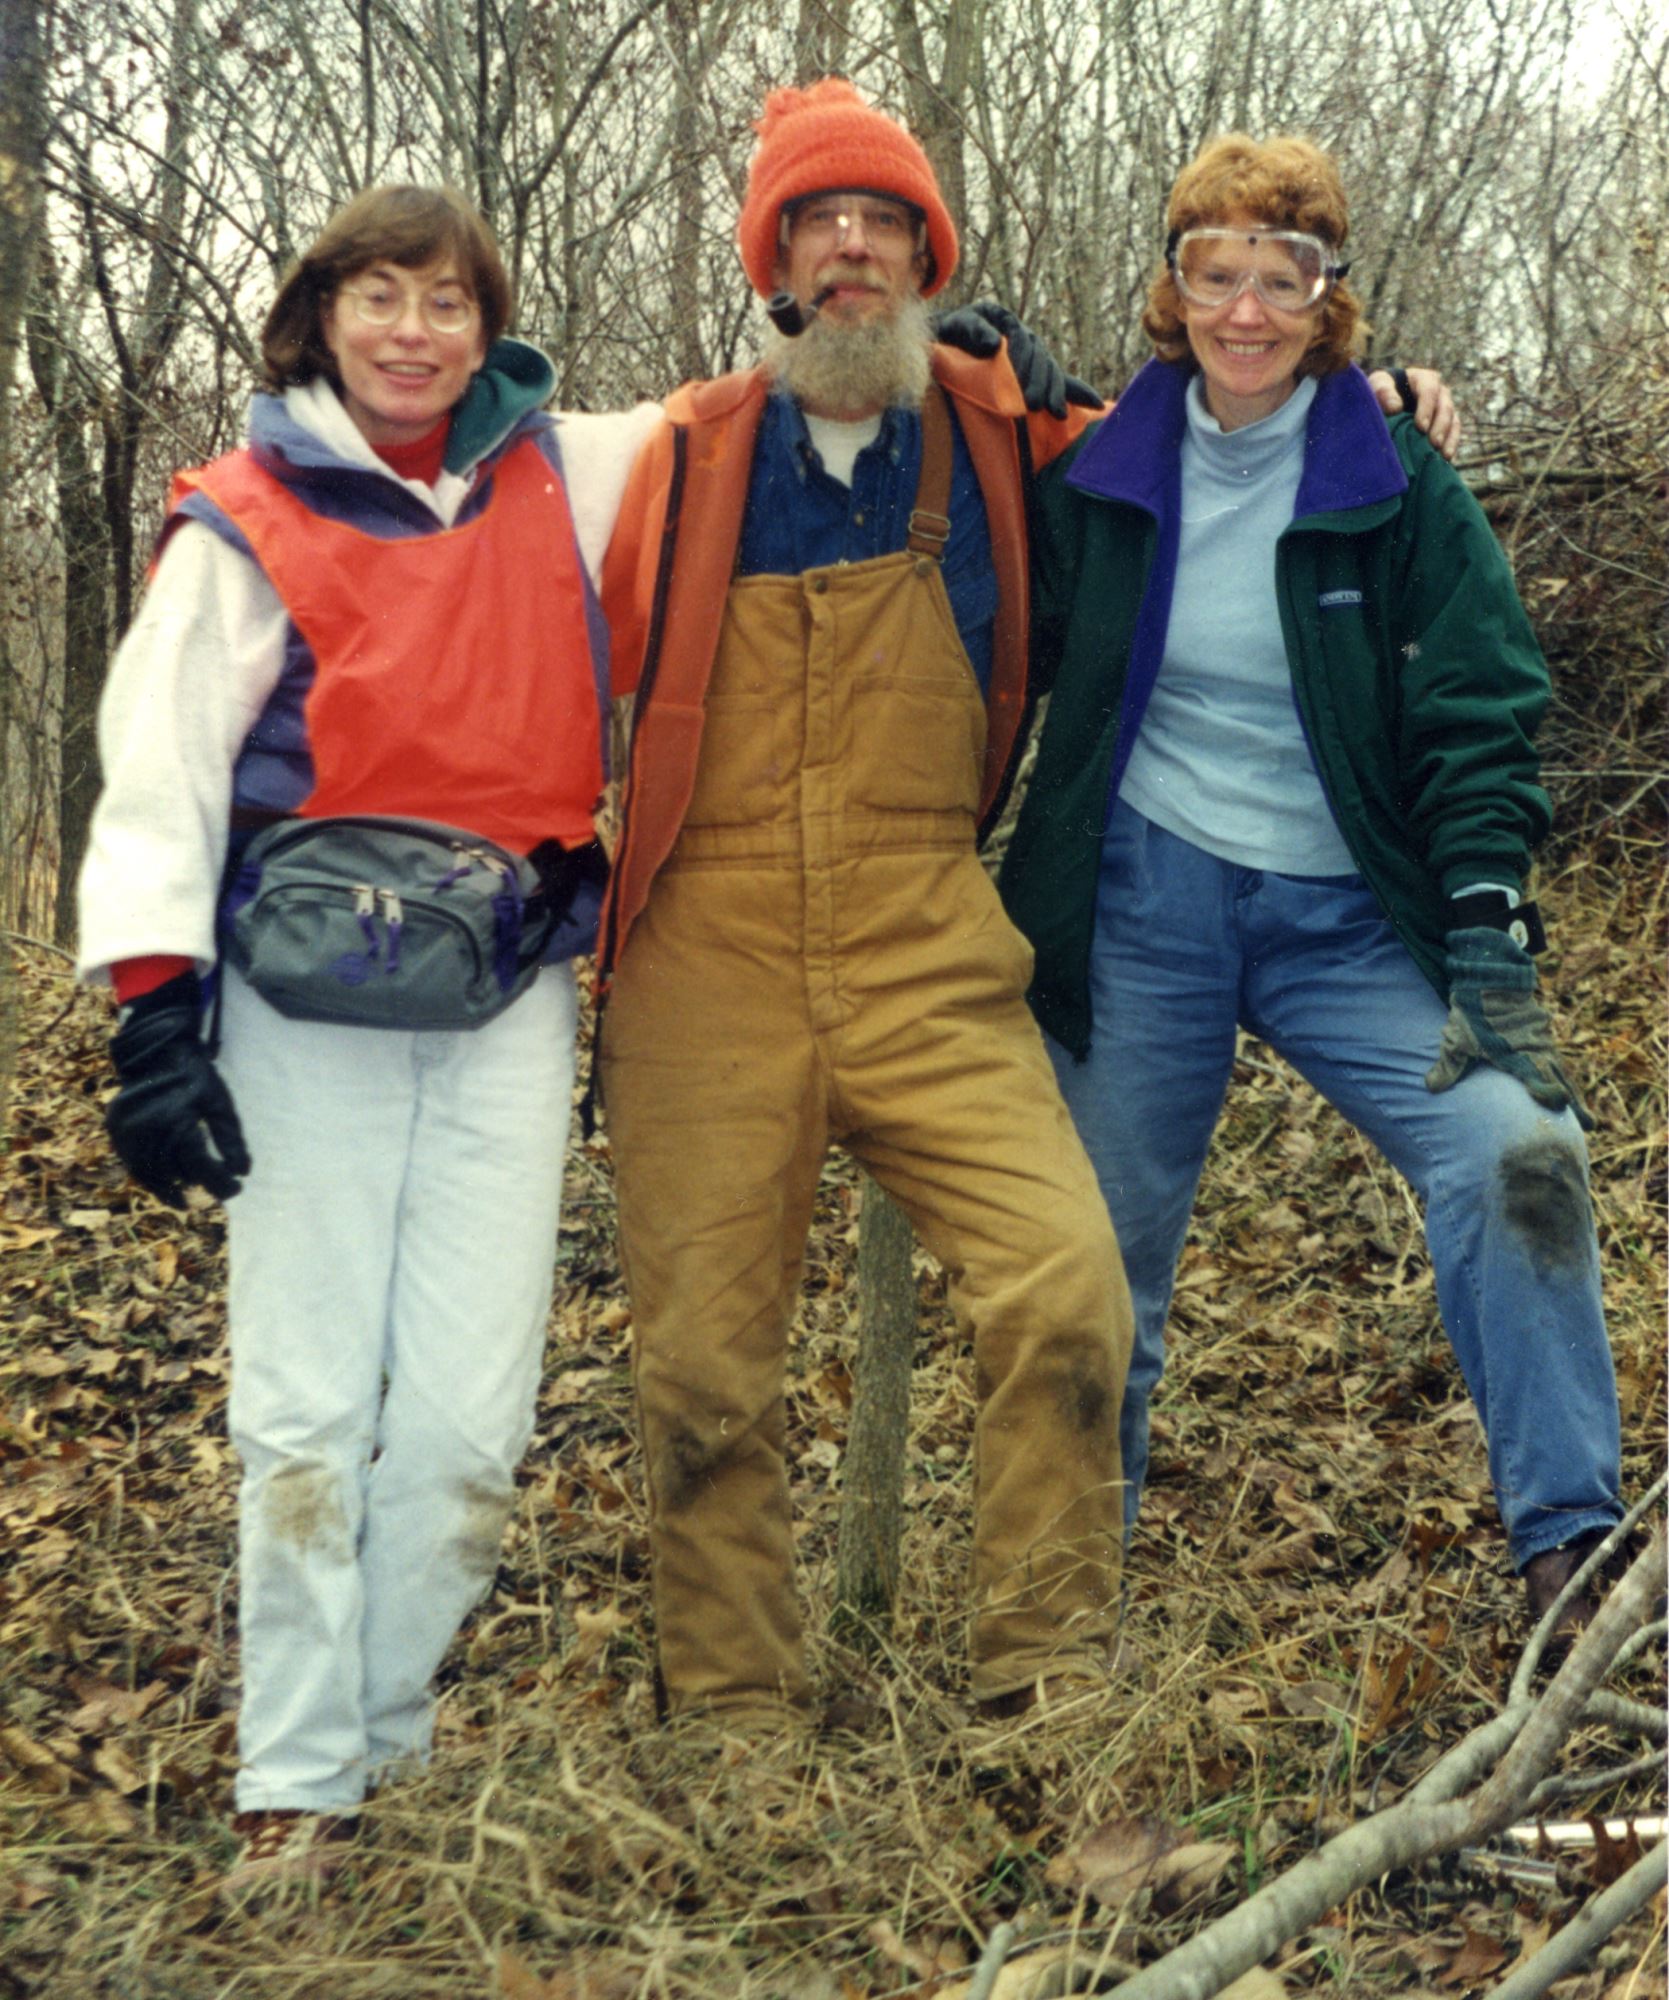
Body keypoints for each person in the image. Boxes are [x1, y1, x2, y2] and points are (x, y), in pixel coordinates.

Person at [77, 185, 655, 1890]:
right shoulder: (241, 521)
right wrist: (154, 1019)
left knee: (476, 1419)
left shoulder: (571, 474)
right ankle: (298, 1774)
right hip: (300, 998)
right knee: (309, 1399)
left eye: (447, 302)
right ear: (319, 317)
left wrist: (991, 370)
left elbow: (780, 403)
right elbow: (162, 770)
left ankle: (387, 1733)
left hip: (505, 989)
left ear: (490, 324)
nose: (414, 332)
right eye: (379, 298)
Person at [998, 133, 1623, 1631]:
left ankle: (1569, 1558)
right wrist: (975, 385)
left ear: (1328, 294)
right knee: (1097, 1264)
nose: (1246, 310)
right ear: (1173, 284)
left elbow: (1479, 706)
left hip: (1349, 917)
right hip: (1142, 902)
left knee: (1519, 1157)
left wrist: (1483, 924)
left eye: (1284, 276)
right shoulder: (1096, 473)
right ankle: (1069, 1615)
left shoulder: (1388, 475)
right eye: (1215, 272)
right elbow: (973, 609)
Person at [595, 78, 1145, 1730]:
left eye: (882, 223)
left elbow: (1223, 439)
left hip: (926, 939)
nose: (850, 249)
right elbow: (435, 493)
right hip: (706, 946)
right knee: (700, 1373)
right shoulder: (670, 457)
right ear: (771, 264)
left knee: (1065, 1291)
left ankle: (1044, 1689)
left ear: (927, 259)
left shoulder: (1005, 440)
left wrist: (1387, 392)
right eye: (816, 224)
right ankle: (739, 1722)